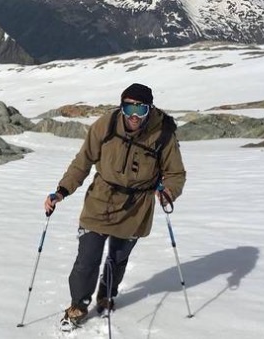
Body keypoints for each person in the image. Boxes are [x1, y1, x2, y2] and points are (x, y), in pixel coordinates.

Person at [43, 83, 186, 330]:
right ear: (121, 106)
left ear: (149, 110)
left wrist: (168, 193)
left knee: (117, 259)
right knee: (87, 259)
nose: (133, 115)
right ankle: (78, 305)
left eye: (140, 109)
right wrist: (62, 191)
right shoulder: (106, 125)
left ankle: (106, 295)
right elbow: (82, 162)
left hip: (136, 208)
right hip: (101, 199)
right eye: (128, 107)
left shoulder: (163, 134)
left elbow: (175, 173)